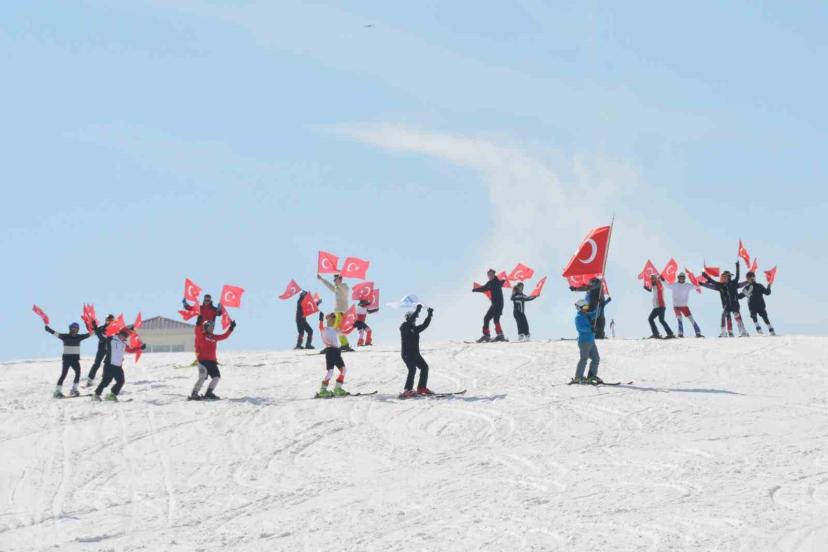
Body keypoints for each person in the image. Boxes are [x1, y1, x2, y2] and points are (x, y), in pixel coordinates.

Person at [189, 316, 236, 400]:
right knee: (202, 377)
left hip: (212, 362)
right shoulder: (201, 336)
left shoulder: (214, 337)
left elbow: (224, 336)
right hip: (202, 362)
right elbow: (197, 331)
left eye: (212, 327)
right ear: (205, 327)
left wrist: (231, 328)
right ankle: (194, 394)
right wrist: (198, 323)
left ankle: (209, 393)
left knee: (216, 377)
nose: (211, 328)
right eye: (210, 327)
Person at [92, 328, 145, 401]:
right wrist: (96, 329)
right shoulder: (111, 339)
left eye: (126, 336)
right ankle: (96, 395)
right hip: (109, 365)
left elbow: (130, 350)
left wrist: (140, 348)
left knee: (121, 381)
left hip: (118, 366)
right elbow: (101, 337)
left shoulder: (124, 343)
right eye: (123, 334)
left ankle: (111, 395)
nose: (124, 336)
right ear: (119, 333)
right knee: (106, 381)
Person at [44, 322, 93, 398]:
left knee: (78, 373)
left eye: (76, 328)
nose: (75, 330)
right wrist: (48, 329)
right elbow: (56, 334)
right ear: (70, 329)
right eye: (73, 328)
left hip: (75, 359)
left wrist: (98, 330)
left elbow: (89, 334)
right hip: (67, 359)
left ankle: (74, 389)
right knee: (64, 375)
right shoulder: (65, 336)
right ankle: (57, 392)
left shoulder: (79, 337)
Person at [702, 262, 748, 337]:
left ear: (729, 277)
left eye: (725, 276)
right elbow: (713, 283)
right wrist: (703, 280)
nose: (724, 277)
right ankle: (725, 332)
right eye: (723, 276)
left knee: (737, 316)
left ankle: (743, 332)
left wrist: (737, 266)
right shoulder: (721, 285)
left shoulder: (734, 283)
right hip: (727, 305)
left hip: (734, 303)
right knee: (724, 316)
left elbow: (738, 277)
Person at [399, 304, 434, 398]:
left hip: (415, 354)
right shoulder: (404, 327)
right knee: (412, 369)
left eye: (415, 319)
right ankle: (407, 390)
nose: (415, 320)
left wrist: (429, 315)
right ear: (409, 318)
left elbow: (424, 325)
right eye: (414, 319)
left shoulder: (415, 329)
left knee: (424, 367)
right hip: (407, 354)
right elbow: (410, 321)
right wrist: (417, 310)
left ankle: (421, 388)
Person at [317, 274, 353, 351]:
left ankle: (333, 346)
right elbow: (329, 285)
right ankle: (344, 344)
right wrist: (321, 279)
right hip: (338, 312)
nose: (333, 281)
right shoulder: (337, 288)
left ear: (339, 279)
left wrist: (338, 283)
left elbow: (344, 290)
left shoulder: (345, 287)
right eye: (333, 280)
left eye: (335, 280)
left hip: (342, 312)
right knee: (336, 329)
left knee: (334, 329)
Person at [316, 311, 348, 398]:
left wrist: (343, 319)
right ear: (327, 319)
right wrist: (320, 319)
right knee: (330, 371)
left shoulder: (335, 330)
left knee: (343, 370)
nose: (333, 319)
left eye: (334, 318)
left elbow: (344, 330)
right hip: (330, 351)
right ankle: (323, 390)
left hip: (337, 352)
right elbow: (320, 327)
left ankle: (337, 388)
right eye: (331, 317)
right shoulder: (324, 329)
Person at [663, 273, 704, 338]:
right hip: (676, 306)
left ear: (685, 278)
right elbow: (667, 286)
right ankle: (680, 334)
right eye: (680, 277)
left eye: (683, 277)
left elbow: (696, 286)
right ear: (678, 278)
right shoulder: (675, 285)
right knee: (679, 319)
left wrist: (701, 283)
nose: (682, 278)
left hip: (685, 306)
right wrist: (663, 280)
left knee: (691, 319)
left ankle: (698, 333)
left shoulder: (687, 285)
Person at [571, 299, 602, 385]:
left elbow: (595, 314)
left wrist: (600, 305)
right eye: (585, 307)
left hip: (591, 341)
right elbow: (581, 328)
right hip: (584, 341)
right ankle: (578, 377)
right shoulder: (578, 317)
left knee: (596, 358)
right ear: (580, 308)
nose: (586, 308)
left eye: (587, 307)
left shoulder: (586, 315)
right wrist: (591, 329)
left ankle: (591, 376)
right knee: (584, 359)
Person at [472, 269, 507, 342]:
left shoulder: (498, 281)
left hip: (499, 303)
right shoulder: (489, 283)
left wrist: (504, 279)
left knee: (496, 319)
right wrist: (475, 289)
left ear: (494, 274)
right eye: (488, 275)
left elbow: (503, 281)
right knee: (486, 318)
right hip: (493, 304)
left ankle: (500, 335)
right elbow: (483, 288)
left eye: (491, 274)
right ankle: (486, 336)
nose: (490, 276)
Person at [739, 271, 775, 335]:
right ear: (747, 279)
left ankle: (770, 329)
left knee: (764, 316)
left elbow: (767, 293)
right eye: (749, 278)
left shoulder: (759, 285)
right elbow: (740, 296)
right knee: (754, 316)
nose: (751, 279)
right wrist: (733, 292)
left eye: (752, 277)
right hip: (752, 305)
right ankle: (758, 328)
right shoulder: (746, 288)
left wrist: (769, 285)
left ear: (754, 277)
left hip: (760, 304)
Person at [86, 314, 115, 387]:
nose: (110, 322)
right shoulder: (102, 328)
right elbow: (95, 333)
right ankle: (90, 380)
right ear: (106, 320)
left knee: (108, 364)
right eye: (108, 320)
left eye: (111, 320)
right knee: (97, 363)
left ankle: (104, 379)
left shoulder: (114, 329)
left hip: (110, 348)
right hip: (102, 348)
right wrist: (92, 325)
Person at [644, 274, 675, 339]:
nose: (652, 280)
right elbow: (651, 288)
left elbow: (663, 285)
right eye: (651, 279)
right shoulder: (654, 286)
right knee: (650, 319)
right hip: (656, 307)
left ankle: (670, 334)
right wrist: (647, 288)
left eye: (653, 278)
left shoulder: (659, 284)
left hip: (661, 306)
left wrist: (661, 279)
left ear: (656, 279)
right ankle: (656, 334)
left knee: (661, 320)